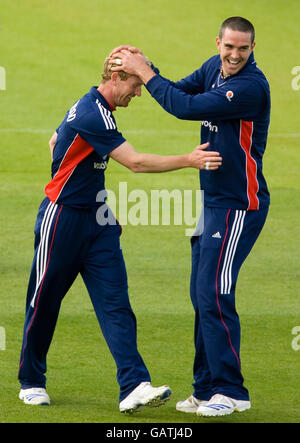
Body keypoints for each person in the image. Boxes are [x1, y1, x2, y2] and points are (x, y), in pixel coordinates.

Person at [18, 55, 222, 413]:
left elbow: (55, 141)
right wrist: (189, 160)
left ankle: (134, 384)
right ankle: (31, 381)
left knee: (116, 305)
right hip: (61, 218)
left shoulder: (96, 109)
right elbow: (136, 162)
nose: (139, 94)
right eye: (136, 85)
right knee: (45, 300)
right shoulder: (92, 112)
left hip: (98, 223)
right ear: (116, 76)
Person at [110, 16, 271, 417]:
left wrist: (144, 71)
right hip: (213, 203)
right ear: (218, 42)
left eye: (243, 49)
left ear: (252, 49)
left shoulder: (250, 86)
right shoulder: (211, 68)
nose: (234, 55)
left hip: (239, 204)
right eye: (229, 46)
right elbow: (177, 90)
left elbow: (184, 107)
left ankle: (232, 391)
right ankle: (204, 388)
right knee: (202, 296)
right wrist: (144, 65)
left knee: (215, 294)